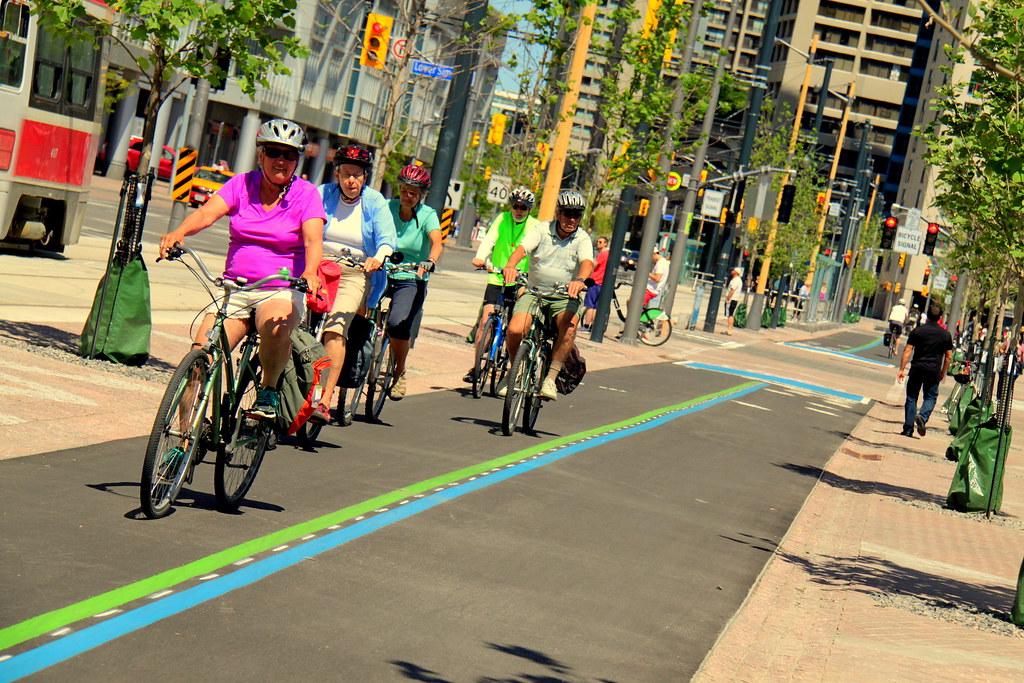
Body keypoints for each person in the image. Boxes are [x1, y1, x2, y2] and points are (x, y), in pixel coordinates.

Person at [158, 118, 325, 420]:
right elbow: (208, 213)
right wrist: (178, 233)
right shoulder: (241, 184)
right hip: (235, 287)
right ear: (260, 154)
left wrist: (310, 272)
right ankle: (181, 442)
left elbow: (313, 239)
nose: (282, 160)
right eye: (275, 152)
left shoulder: (306, 194)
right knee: (199, 356)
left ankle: (268, 391)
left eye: (290, 155)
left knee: (275, 326)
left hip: (279, 289)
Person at [315, 145, 397, 422]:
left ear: (365, 177)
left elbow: (387, 239)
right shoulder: (322, 193)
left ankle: (324, 401)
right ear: (336, 173)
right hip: (316, 264)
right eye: (346, 174)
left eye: (358, 175)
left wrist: (378, 257)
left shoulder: (375, 202)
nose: (352, 180)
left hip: (354, 271)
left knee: (335, 330)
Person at [501, 189, 594, 401]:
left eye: (576, 215)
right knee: (516, 330)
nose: (572, 219)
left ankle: (550, 378)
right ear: (558, 213)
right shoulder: (542, 229)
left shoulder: (582, 238)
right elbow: (522, 249)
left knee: (569, 327)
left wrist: (579, 281)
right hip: (534, 292)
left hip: (564, 297)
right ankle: (514, 372)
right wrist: (510, 266)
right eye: (567, 213)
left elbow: (587, 263)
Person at [465, 187, 539, 383]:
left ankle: (516, 364)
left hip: (521, 280)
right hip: (497, 276)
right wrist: (481, 257)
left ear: (529, 209)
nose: (519, 210)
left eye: (523, 207)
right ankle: (477, 367)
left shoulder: (534, 225)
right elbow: (490, 239)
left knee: (518, 326)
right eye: (516, 206)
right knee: (485, 321)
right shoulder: (502, 219)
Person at [384, 165, 443, 400]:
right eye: (404, 190)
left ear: (421, 195)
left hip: (411, 276)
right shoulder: (388, 208)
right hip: (382, 270)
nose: (407, 196)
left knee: (398, 323)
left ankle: (399, 371)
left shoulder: (428, 215)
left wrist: (430, 260)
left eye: (413, 192)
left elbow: (436, 242)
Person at [898, 302, 953, 437]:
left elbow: (907, 350)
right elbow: (948, 357)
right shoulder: (945, 334)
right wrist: (943, 372)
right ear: (940, 317)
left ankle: (907, 429)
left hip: (917, 368)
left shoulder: (917, 331)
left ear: (927, 316)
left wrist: (902, 369)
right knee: (931, 396)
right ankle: (922, 416)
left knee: (911, 397)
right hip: (933, 370)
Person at [581, 235, 608, 330]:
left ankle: (586, 325)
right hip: (602, 283)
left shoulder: (602, 254)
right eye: (597, 242)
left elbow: (593, 265)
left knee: (590, 305)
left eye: (600, 242)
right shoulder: (608, 254)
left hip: (595, 282)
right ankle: (594, 326)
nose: (598, 243)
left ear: (605, 244)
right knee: (596, 306)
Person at [724, 266, 743, 335]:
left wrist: (728, 298)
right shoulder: (739, 280)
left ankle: (729, 330)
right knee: (731, 314)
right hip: (735, 299)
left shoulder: (735, 280)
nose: (731, 271)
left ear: (736, 272)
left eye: (733, 271)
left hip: (732, 299)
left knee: (730, 314)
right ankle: (729, 329)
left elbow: (732, 290)